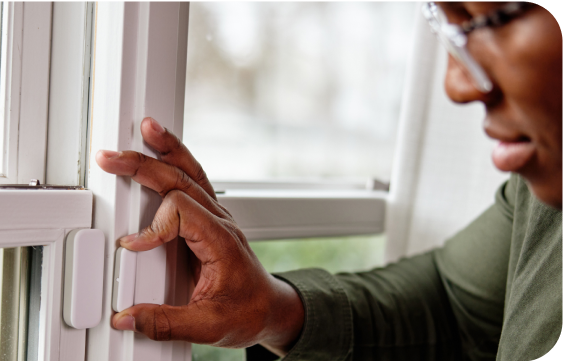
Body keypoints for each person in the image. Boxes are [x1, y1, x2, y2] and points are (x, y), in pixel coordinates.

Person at [96, 1, 563, 360]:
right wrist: (271, 309)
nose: (457, 85)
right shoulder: (541, 198)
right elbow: (453, 304)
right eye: (447, 25)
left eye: (491, 18)